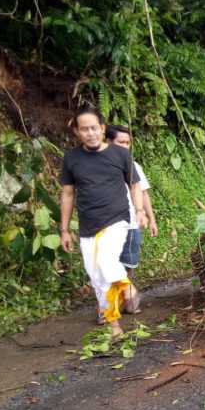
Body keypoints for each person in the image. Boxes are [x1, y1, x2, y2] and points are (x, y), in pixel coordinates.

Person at [60, 106, 146, 339]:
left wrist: (140, 210)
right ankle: (114, 327)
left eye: (94, 128)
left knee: (107, 261)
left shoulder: (120, 154)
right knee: (96, 277)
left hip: (116, 219)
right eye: (84, 129)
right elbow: (68, 194)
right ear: (77, 132)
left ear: (102, 129)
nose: (90, 133)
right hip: (88, 224)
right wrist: (65, 229)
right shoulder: (72, 159)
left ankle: (127, 287)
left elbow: (135, 185)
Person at [106, 125, 159, 314]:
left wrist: (151, 218)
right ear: (108, 142)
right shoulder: (98, 167)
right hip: (107, 225)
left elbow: (143, 194)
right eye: (121, 142)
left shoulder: (134, 166)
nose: (125, 146)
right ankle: (107, 308)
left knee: (129, 265)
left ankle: (125, 301)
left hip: (131, 224)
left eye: (128, 143)